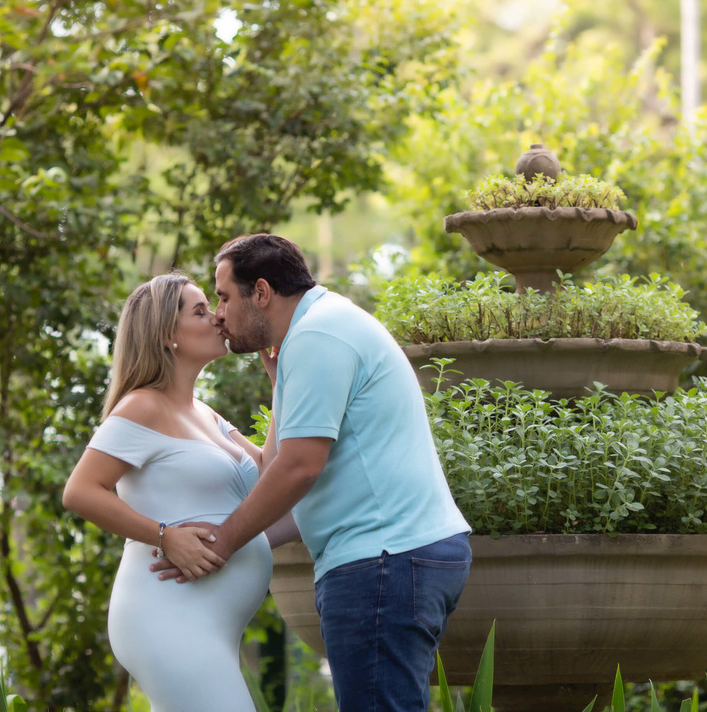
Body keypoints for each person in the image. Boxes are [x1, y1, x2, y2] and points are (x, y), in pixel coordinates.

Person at [156, 234, 472, 712]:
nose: (218, 313)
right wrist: (279, 383)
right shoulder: (314, 333)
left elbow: (299, 469)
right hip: (396, 556)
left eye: (223, 297)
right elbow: (274, 469)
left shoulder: (317, 336)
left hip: (382, 562)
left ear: (260, 292)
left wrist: (221, 544)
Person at [62, 272, 295, 712]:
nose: (218, 318)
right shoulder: (143, 405)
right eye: (201, 311)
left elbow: (268, 472)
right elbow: (80, 491)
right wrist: (166, 535)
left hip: (209, 624)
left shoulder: (205, 414)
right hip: (166, 616)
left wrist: (280, 383)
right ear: (168, 333)